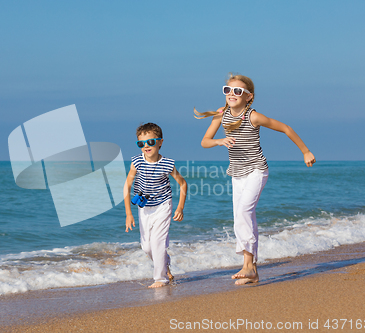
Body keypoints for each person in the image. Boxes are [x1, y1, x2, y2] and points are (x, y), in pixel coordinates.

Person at [195, 73, 316, 285]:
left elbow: (285, 128)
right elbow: (205, 141)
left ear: (248, 97)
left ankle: (248, 265)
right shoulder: (220, 115)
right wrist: (219, 141)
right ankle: (253, 272)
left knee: (244, 212)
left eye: (237, 91)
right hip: (236, 172)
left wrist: (305, 151)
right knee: (242, 217)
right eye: (228, 90)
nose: (232, 94)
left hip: (256, 170)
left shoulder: (253, 116)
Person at [124, 123, 188, 288]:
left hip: (163, 205)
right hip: (144, 207)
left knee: (158, 242)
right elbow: (127, 186)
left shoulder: (167, 164)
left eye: (151, 142)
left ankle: (160, 279)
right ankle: (165, 263)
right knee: (146, 247)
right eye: (141, 143)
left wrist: (180, 207)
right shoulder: (136, 162)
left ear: (160, 142)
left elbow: (183, 184)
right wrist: (128, 214)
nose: (146, 146)